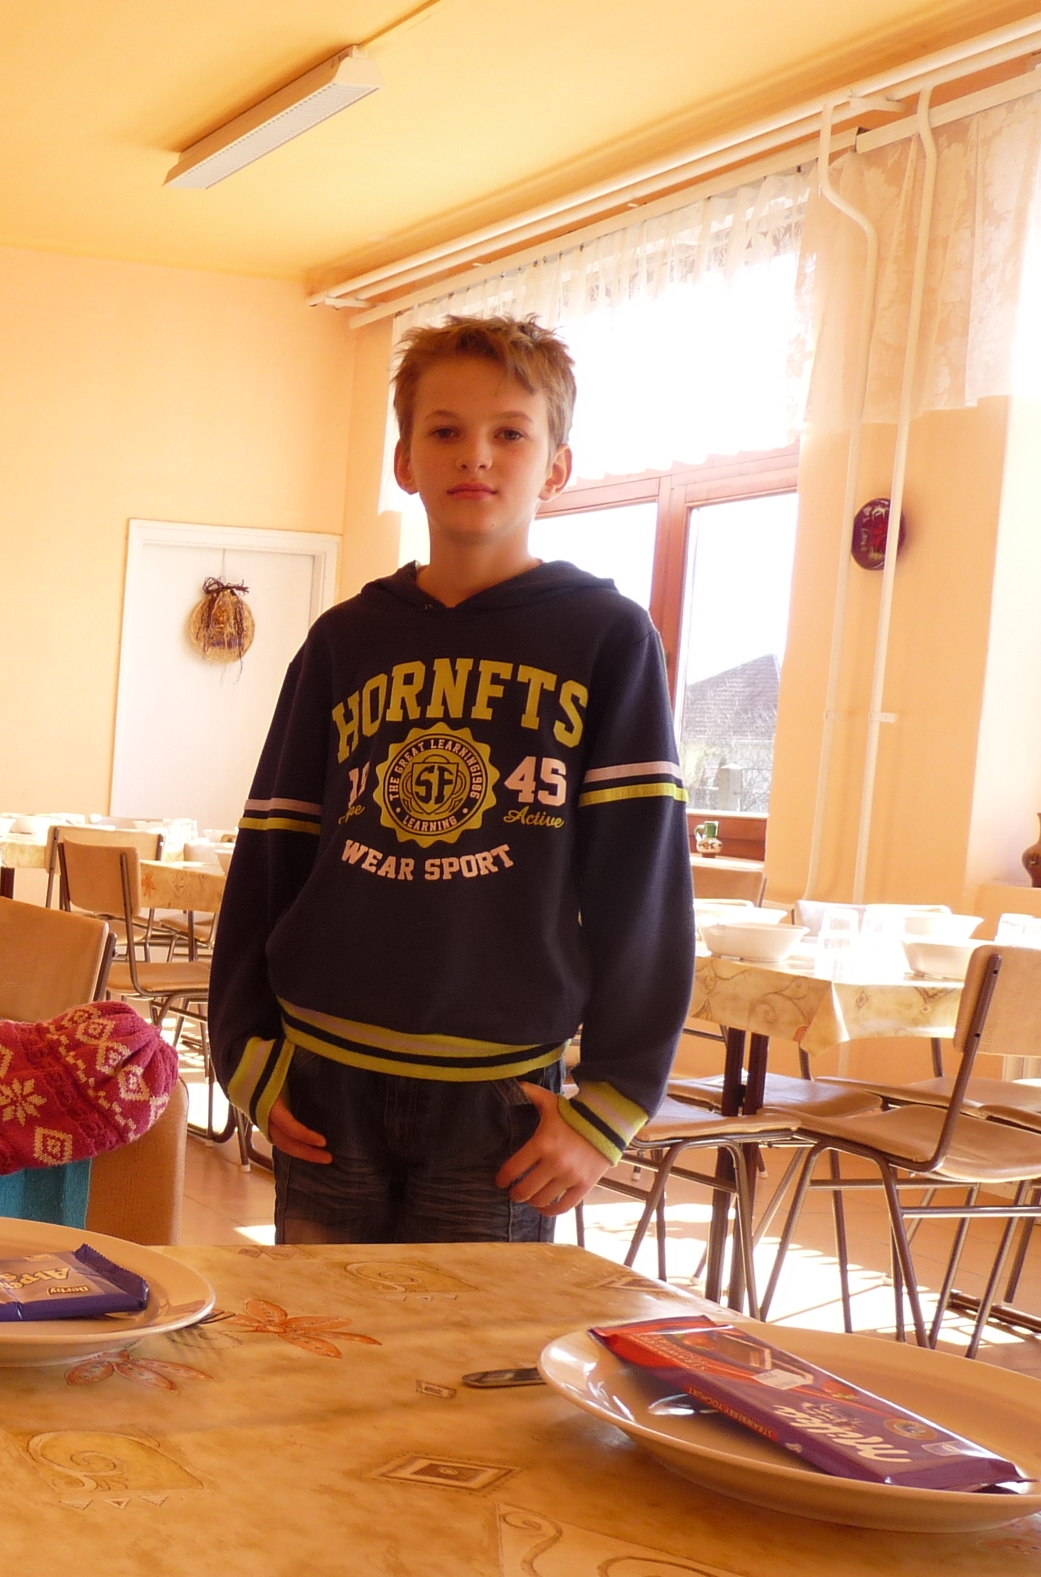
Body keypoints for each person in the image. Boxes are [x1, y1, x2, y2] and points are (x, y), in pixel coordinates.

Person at [207, 314, 693, 1243]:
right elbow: (271, 848)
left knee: (467, 1339)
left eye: (510, 432)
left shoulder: (608, 638)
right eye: (445, 430)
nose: (476, 454)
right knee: (317, 1327)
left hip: (500, 1102)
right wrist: (244, 1049)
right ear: (405, 461)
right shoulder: (344, 641)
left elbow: (643, 885)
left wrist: (615, 1098)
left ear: (556, 467)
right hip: (322, 1081)